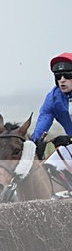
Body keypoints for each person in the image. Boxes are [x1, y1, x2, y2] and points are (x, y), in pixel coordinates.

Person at [29, 53, 72, 183]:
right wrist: (34, 144)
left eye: (67, 75)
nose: (62, 80)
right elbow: (41, 126)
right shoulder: (53, 98)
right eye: (58, 76)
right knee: (49, 166)